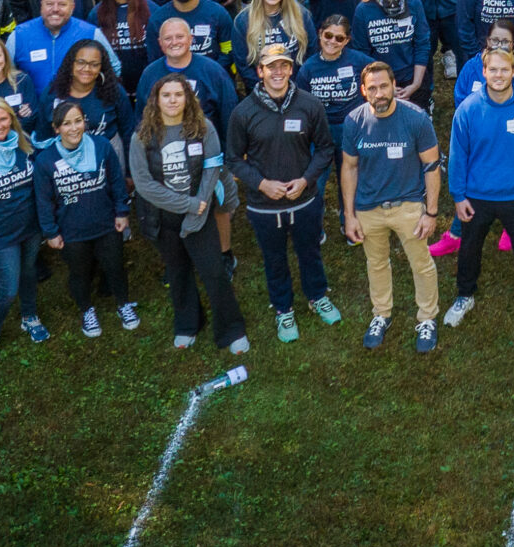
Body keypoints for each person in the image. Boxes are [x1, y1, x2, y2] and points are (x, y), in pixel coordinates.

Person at [229, 42, 341, 342]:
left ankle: (317, 295)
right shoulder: (243, 112)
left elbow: (326, 148)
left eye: (283, 66)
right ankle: (283, 309)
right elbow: (233, 159)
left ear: (291, 69)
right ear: (260, 71)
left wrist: (306, 180)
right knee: (274, 259)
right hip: (264, 206)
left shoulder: (309, 104)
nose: (278, 72)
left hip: (304, 200)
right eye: (271, 66)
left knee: (310, 252)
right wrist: (262, 184)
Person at [127, 75, 249, 353]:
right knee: (178, 273)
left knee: (214, 272)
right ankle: (187, 325)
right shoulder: (142, 137)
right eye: (166, 95)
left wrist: (198, 208)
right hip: (163, 218)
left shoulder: (204, 128)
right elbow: (144, 185)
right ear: (156, 100)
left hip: (201, 213)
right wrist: (187, 206)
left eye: (178, 95)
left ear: (188, 99)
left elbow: (212, 168)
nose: (172, 100)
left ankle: (231, 330)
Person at [444, 47, 514, 330]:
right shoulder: (468, 109)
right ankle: (465, 295)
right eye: (492, 69)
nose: (498, 75)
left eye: (504, 69)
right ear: (483, 72)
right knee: (469, 250)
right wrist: (458, 196)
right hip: (476, 198)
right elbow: (458, 156)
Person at [336, 59, 444, 351]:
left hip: (408, 205)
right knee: (376, 264)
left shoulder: (416, 118)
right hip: (368, 208)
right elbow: (349, 168)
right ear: (363, 90)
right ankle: (381, 314)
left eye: (385, 86)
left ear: (395, 86)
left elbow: (432, 166)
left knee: (421, 264)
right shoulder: (354, 122)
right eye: (373, 88)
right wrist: (349, 215)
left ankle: (427, 318)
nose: (380, 92)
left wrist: (430, 212)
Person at [36, 99, 135, 336]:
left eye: (78, 121)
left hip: (106, 223)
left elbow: (116, 182)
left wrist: (122, 211)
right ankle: (87, 310)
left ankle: (124, 304)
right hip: (71, 230)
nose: (74, 128)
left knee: (115, 267)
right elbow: (43, 201)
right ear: (56, 128)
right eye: (66, 123)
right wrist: (50, 232)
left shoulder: (101, 146)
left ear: (85, 122)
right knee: (79, 272)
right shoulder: (45, 160)